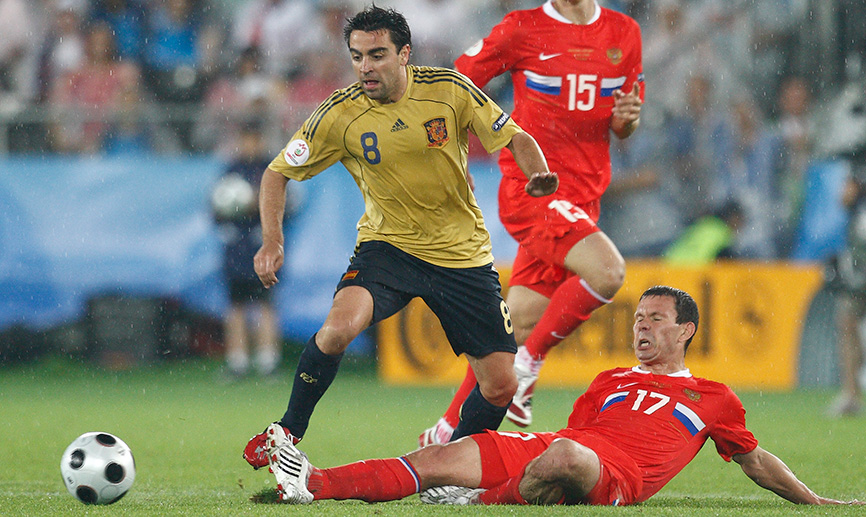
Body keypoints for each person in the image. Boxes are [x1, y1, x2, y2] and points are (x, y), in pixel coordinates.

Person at [242, 5, 559, 470]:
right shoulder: (341, 112)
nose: (366, 67)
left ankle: (449, 466)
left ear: (404, 53)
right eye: (357, 57)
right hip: (387, 248)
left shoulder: (449, 91)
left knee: (501, 386)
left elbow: (516, 138)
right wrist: (273, 241)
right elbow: (276, 174)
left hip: (459, 255)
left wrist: (540, 174)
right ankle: (287, 432)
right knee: (336, 330)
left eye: (377, 55)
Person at [263, 286, 863, 507]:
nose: (643, 327)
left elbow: (754, 458)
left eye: (656, 319)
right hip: (566, 448)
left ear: (686, 330)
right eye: (640, 318)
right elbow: (571, 434)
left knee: (567, 461)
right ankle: (312, 483)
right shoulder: (608, 382)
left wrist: (810, 499)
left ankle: (481, 500)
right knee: (444, 456)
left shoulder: (714, 398)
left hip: (615, 477)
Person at [420, 0, 644, 444]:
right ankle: (529, 367)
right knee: (608, 271)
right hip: (534, 188)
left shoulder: (624, 33)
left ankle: (445, 433)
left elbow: (624, 124)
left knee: (516, 324)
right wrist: (448, 153)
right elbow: (451, 88)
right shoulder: (523, 28)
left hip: (585, 197)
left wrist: (625, 122)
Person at [212, 123, 284, 380]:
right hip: (236, 251)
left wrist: (258, 203)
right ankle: (237, 361)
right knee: (236, 306)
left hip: (262, 247)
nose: (249, 146)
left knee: (265, 304)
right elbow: (214, 209)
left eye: (254, 140)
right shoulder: (232, 170)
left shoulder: (272, 169)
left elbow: (290, 204)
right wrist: (227, 208)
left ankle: (268, 361)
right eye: (245, 140)